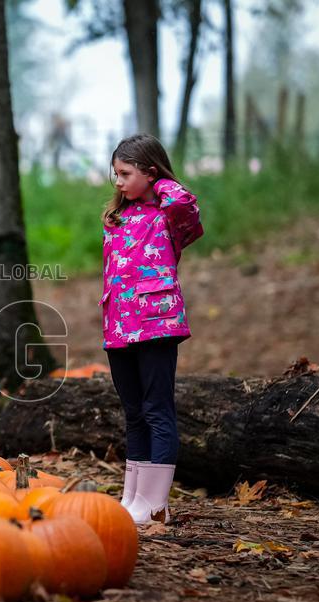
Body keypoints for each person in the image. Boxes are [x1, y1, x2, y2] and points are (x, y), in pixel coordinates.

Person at [98, 134, 203, 525]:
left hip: (157, 325)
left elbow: (185, 203)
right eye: (116, 174)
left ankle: (156, 505)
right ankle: (134, 497)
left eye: (126, 173)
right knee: (133, 411)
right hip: (119, 327)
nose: (119, 182)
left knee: (158, 409)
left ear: (151, 173)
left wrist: (160, 182)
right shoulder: (118, 218)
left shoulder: (170, 216)